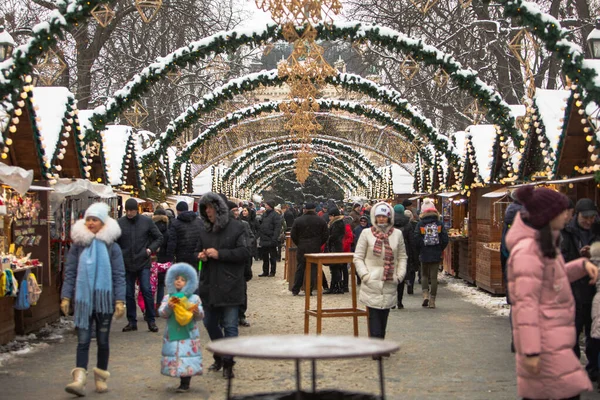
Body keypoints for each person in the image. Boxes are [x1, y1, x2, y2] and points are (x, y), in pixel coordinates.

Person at [507, 185, 597, 400]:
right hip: (545, 345)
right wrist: (531, 351)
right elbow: (525, 304)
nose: (567, 216)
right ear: (547, 216)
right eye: (562, 211)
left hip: (554, 341)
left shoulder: (544, 244)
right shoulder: (528, 251)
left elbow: (551, 279)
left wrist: (582, 266)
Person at [61, 203, 126, 396]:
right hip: (83, 302)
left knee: (103, 341)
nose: (90, 223)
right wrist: (66, 296)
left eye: (94, 219)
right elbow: (70, 272)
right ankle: (79, 379)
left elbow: (119, 274)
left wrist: (119, 300)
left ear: (103, 223)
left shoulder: (112, 247)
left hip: (104, 301)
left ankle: (100, 377)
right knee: (83, 341)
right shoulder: (78, 246)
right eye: (88, 219)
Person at [195, 192, 249, 379]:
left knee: (230, 325)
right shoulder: (204, 229)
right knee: (209, 322)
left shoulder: (237, 228)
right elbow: (197, 249)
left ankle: (228, 362)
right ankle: (220, 352)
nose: (207, 211)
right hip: (209, 284)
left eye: (210, 207)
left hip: (230, 283)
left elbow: (244, 252)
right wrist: (200, 255)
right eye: (205, 208)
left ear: (219, 208)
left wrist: (220, 254)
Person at [353, 202, 407, 339]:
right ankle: (376, 345)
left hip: (389, 280)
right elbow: (358, 257)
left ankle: (380, 341)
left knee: (384, 315)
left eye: (384, 216)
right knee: (374, 316)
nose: (381, 219)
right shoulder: (366, 234)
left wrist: (400, 275)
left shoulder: (397, 234)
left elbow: (402, 256)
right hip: (372, 280)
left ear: (390, 217)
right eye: (379, 216)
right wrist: (365, 275)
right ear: (374, 217)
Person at [562, 198, 600, 381]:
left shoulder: (597, 231)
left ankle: (593, 368)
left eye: (592, 217)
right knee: (573, 332)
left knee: (594, 334)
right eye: (586, 217)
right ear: (577, 215)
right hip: (573, 289)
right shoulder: (566, 232)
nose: (589, 221)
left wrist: (593, 254)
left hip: (594, 289)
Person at [118, 198, 163, 332]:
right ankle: (132, 321)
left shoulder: (146, 222)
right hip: (127, 263)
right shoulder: (120, 223)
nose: (130, 213)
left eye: (132, 210)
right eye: (128, 211)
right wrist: (119, 253)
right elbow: (114, 240)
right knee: (128, 293)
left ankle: (151, 320)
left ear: (136, 210)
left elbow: (159, 237)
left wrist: (149, 249)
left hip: (143, 261)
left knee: (146, 290)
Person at [158, 263, 204, 393]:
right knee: (175, 354)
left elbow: (200, 316)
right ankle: (176, 372)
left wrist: (196, 311)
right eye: (177, 279)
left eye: (183, 280)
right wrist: (168, 307)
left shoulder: (194, 298)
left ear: (189, 283)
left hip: (189, 333)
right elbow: (162, 313)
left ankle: (185, 382)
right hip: (173, 332)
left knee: (187, 355)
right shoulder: (168, 298)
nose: (179, 281)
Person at [414, 198, 448, 309]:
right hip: (436, 252)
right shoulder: (439, 223)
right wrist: (439, 248)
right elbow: (445, 239)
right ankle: (432, 300)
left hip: (424, 252)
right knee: (433, 277)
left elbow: (416, 238)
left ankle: (425, 295)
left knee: (424, 275)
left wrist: (420, 248)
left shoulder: (420, 224)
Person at [290, 202, 329, 296]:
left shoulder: (298, 220)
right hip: (315, 246)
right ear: (315, 209)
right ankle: (309, 289)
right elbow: (326, 235)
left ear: (305, 209)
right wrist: (319, 243)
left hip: (302, 246)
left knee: (300, 267)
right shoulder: (321, 220)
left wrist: (299, 243)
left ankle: (296, 289)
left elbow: (293, 235)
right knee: (313, 268)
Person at [230, 204, 254, 327]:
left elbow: (251, 236)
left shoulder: (243, 224)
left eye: (236, 210)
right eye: (233, 210)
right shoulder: (222, 227)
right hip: (229, 264)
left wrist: (247, 247)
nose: (236, 212)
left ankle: (241, 315)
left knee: (241, 291)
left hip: (242, 261)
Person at [166, 201, 203, 267]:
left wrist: (169, 259)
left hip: (181, 257)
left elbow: (172, 243)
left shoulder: (175, 224)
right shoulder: (199, 222)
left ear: (177, 211)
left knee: (183, 276)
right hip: (197, 256)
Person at [152, 209, 171, 310]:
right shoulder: (167, 231)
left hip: (152, 259)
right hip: (164, 261)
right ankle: (159, 306)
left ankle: (149, 307)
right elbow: (169, 247)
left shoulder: (151, 229)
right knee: (160, 285)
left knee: (150, 285)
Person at [257, 200, 281, 277]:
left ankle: (272, 271)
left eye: (267, 205)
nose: (265, 206)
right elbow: (262, 224)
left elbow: (277, 228)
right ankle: (265, 271)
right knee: (265, 256)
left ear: (270, 206)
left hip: (271, 238)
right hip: (264, 238)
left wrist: (274, 238)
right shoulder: (264, 214)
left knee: (272, 256)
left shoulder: (275, 215)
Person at [325, 208, 346, 294]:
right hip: (336, 247)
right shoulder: (338, 223)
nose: (329, 218)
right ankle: (335, 286)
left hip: (335, 248)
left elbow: (334, 236)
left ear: (333, 216)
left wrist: (328, 239)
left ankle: (337, 286)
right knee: (334, 268)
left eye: (330, 216)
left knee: (335, 267)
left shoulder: (336, 224)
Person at [393, 204, 410, 309]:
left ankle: (392, 300)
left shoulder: (389, 223)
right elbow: (411, 239)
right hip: (404, 252)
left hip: (392, 251)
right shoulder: (407, 223)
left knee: (391, 277)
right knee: (401, 277)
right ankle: (399, 300)